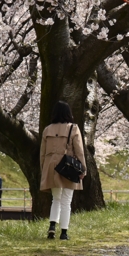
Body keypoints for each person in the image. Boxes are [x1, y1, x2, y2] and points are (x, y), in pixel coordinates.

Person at [40, 101, 87, 241]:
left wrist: (44, 169)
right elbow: (79, 151)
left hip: (51, 166)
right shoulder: (73, 128)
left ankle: (52, 226)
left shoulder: (47, 130)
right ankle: (64, 233)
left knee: (56, 198)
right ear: (68, 113)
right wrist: (83, 168)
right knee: (66, 201)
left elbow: (42, 153)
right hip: (67, 166)